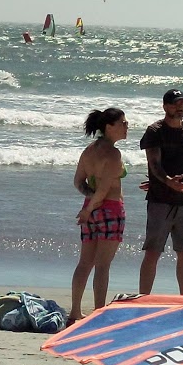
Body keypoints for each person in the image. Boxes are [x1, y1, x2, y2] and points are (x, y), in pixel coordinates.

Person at [69, 107, 129, 323]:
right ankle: (98, 314)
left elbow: (78, 182)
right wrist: (89, 208)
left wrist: (89, 204)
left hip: (91, 211)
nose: (126, 126)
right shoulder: (113, 154)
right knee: (102, 265)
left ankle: (75, 311)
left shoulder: (89, 151)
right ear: (108, 127)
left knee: (84, 263)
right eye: (122, 123)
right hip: (110, 210)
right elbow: (104, 191)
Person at [138, 88, 183, 295]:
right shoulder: (155, 131)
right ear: (165, 106)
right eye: (175, 104)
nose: (179, 107)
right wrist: (166, 182)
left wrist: (179, 185)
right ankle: (144, 298)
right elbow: (153, 163)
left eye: (182, 103)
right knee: (153, 252)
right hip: (160, 202)